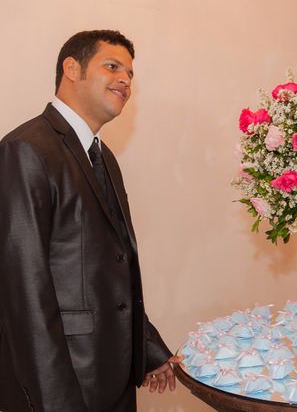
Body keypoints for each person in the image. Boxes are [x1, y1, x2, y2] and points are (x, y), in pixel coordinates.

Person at [0, 30, 180, 411]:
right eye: (112, 67)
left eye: (130, 74)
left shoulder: (105, 156)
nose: (126, 81)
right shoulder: (26, 149)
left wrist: (148, 348)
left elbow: (114, 269)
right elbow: (23, 290)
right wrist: (55, 399)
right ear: (72, 68)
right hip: (65, 381)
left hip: (111, 373)